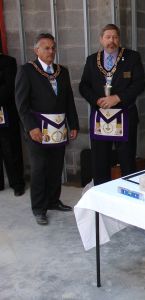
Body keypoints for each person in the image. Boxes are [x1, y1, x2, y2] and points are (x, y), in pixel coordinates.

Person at [15, 33, 79, 225]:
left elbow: (68, 100)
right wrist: (31, 127)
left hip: (58, 128)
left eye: (53, 48)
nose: (51, 52)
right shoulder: (27, 70)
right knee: (39, 168)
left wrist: (73, 124)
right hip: (38, 130)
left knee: (56, 166)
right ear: (37, 50)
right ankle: (39, 208)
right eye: (46, 48)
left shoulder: (62, 71)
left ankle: (53, 200)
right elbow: (21, 104)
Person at [79, 24, 145, 186]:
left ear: (119, 39)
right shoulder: (91, 60)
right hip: (101, 117)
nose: (111, 41)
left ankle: (128, 195)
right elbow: (83, 86)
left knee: (127, 159)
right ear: (101, 39)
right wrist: (96, 100)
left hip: (125, 115)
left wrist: (118, 98)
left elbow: (139, 85)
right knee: (100, 160)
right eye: (108, 37)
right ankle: (102, 196)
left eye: (115, 37)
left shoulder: (132, 57)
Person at [0, 53, 25, 196]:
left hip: (6, 112)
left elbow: (9, 87)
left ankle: (17, 183)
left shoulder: (8, 62)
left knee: (11, 149)